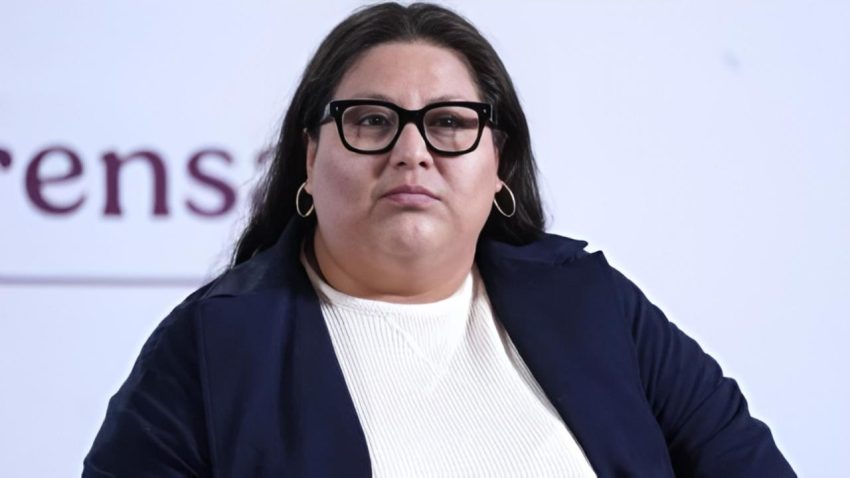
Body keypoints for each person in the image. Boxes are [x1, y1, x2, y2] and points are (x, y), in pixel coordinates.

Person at [83, 2, 795, 477]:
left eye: (450, 123)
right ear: (309, 156)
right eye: (371, 121)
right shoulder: (211, 347)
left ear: (499, 163)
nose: (411, 153)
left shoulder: (593, 302)